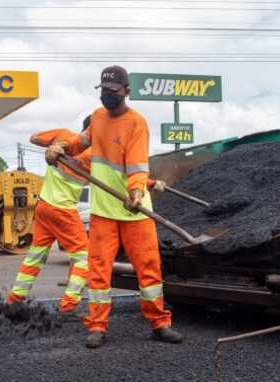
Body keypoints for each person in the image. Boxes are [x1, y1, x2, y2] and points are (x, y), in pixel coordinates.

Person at [46, 65, 184, 348]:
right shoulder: (97, 118)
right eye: (104, 91)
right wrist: (58, 147)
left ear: (126, 92)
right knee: (98, 270)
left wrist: (135, 191)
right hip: (103, 212)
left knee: (148, 270)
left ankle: (159, 323)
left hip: (134, 213)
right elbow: (79, 143)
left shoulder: (137, 123)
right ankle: (96, 326)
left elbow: (136, 165)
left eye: (113, 91)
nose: (107, 96)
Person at [6, 117, 92, 319]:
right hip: (62, 211)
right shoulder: (95, 154)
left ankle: (14, 300)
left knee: (35, 256)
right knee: (84, 258)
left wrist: (56, 143)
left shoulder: (63, 134)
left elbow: (34, 138)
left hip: (43, 207)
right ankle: (68, 307)